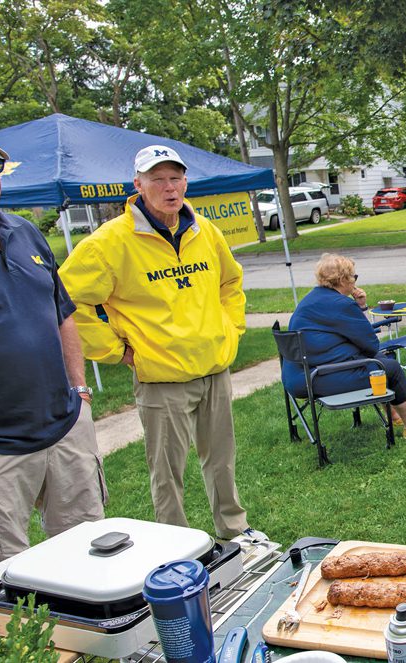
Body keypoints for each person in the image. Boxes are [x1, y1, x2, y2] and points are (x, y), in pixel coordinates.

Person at [60, 145, 264, 541]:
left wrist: (231, 327)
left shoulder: (206, 231)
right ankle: (174, 542)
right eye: (158, 179)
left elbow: (231, 281)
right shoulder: (110, 242)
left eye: (175, 178)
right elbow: (66, 299)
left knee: (221, 460)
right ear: (137, 185)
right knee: (167, 471)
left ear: (185, 182)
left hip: (213, 368)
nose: (169, 188)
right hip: (161, 377)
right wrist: (117, 351)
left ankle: (234, 529)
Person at [0, 118, 105, 575]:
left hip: (64, 429)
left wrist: (80, 392)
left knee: (92, 560)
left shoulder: (24, 232)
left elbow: (62, 312)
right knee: (1, 587)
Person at [282, 253, 406, 438]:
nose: (355, 281)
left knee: (379, 361)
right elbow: (371, 344)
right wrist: (358, 309)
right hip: (317, 377)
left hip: (298, 375)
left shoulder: (311, 299)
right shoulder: (340, 304)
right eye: (353, 276)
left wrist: (361, 306)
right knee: (390, 367)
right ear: (342, 279)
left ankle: (395, 416)